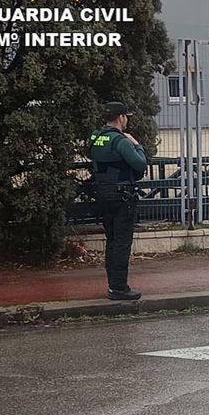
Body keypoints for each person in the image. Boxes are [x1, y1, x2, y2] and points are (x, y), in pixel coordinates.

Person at [88, 101, 147, 301]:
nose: (127, 119)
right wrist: (137, 145)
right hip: (122, 196)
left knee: (112, 240)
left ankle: (112, 285)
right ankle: (119, 288)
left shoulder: (96, 137)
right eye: (126, 116)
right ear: (121, 117)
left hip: (103, 193)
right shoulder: (121, 141)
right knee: (122, 242)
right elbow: (140, 164)